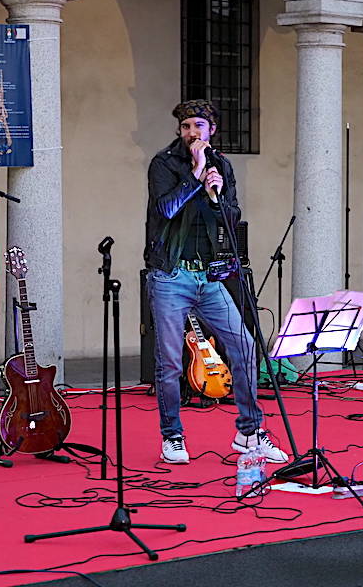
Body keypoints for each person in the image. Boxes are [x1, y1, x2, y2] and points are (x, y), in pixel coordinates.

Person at [144, 99, 288, 464]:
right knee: (170, 363)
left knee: (244, 345)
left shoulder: (222, 164)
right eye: (186, 127)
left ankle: (249, 431)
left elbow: (233, 215)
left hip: (209, 274)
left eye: (198, 126)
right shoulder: (163, 163)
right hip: (171, 273)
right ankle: (172, 436)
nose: (192, 132)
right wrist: (194, 176)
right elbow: (165, 209)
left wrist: (217, 191)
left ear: (211, 131)